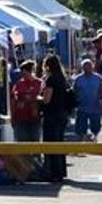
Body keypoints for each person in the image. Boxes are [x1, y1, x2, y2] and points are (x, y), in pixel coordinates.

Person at [39, 54, 71, 182]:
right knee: (60, 143)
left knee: (51, 144)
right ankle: (61, 171)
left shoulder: (50, 80)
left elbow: (47, 99)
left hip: (52, 114)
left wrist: (38, 98)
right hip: (62, 113)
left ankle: (53, 172)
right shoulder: (62, 78)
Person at [73, 60, 102, 142]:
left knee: (96, 126)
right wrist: (74, 104)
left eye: (89, 66)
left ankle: (94, 138)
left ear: (92, 67)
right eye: (85, 67)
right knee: (81, 127)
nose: (88, 68)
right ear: (82, 68)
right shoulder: (78, 79)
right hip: (82, 107)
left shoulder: (98, 78)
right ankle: (81, 140)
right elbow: (74, 92)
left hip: (95, 106)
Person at [12, 60, 44, 142]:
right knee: (22, 142)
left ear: (30, 71)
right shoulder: (19, 83)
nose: (23, 76)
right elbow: (14, 97)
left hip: (35, 117)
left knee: (35, 141)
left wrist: (35, 100)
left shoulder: (39, 83)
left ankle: (36, 155)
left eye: (25, 73)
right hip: (21, 117)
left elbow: (44, 98)